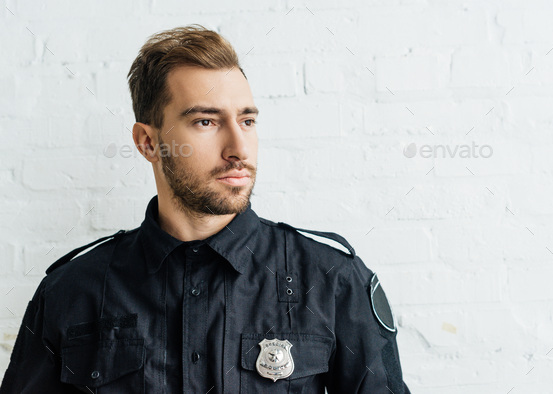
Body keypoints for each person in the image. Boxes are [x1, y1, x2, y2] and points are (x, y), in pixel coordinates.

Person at [0, 24, 411, 393]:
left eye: (247, 121)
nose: (238, 149)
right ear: (148, 142)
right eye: (206, 122)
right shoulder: (72, 291)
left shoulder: (332, 280)